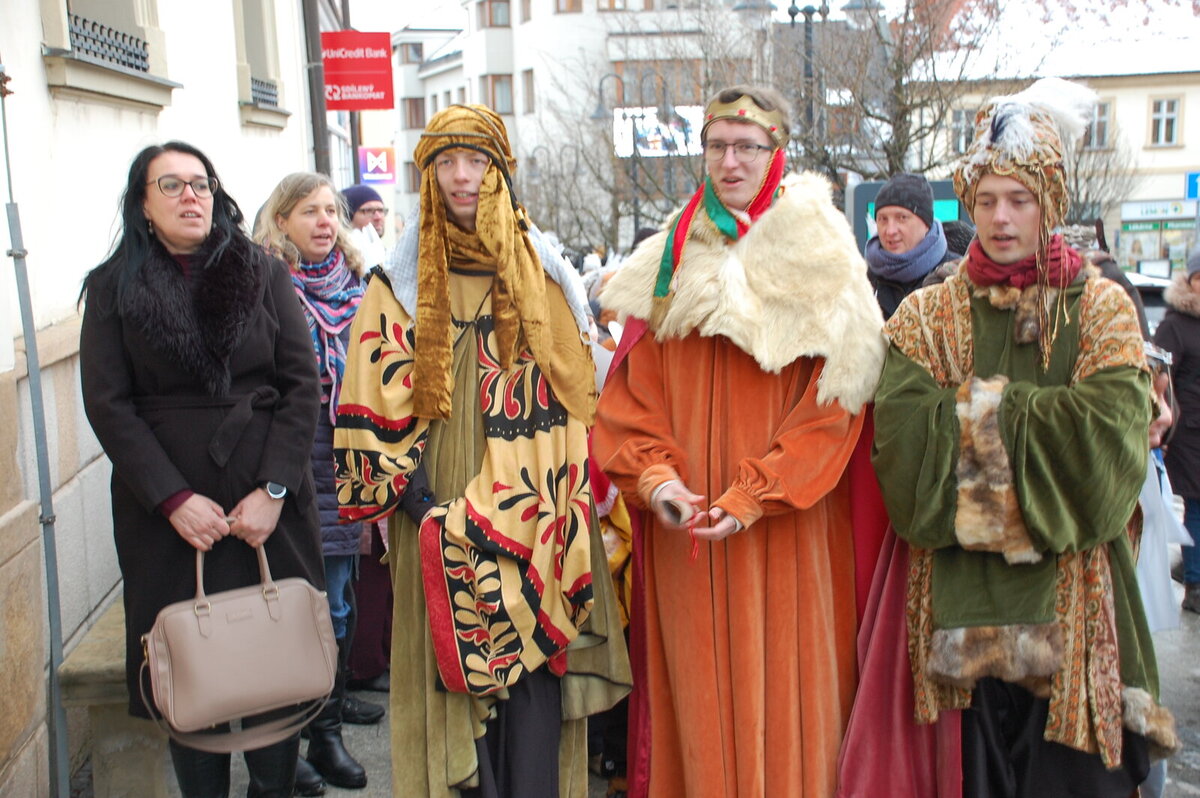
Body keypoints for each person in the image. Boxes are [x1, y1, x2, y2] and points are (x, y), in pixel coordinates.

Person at [865, 77, 1177, 797]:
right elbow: (905, 465)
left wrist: (969, 420)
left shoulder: (1100, 310)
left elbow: (1106, 467)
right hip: (955, 632)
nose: (1001, 218)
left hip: (1078, 631)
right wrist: (1042, 428)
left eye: (1020, 199)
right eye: (986, 200)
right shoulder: (925, 318)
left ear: (1050, 203)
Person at [591, 84, 885, 797]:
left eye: (747, 147)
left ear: (776, 152)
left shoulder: (822, 256)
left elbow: (837, 407)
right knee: (694, 707)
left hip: (787, 532)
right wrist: (656, 480)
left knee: (787, 701)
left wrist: (759, 492)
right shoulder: (669, 261)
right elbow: (631, 400)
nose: (730, 162)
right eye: (717, 146)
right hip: (687, 534)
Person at [334, 104, 629, 797]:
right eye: (446, 162)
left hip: (534, 506)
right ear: (428, 176)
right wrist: (418, 502)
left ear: (500, 171)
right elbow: (372, 395)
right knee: (450, 663)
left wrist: (545, 504)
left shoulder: (546, 275)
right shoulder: (396, 283)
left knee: (530, 669)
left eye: (476, 161)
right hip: (434, 498)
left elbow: (572, 397)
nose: (461, 177)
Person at [79, 141, 323, 798]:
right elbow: (108, 405)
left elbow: (302, 385)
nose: (191, 195)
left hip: (266, 506)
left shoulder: (262, 272)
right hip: (166, 516)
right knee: (189, 676)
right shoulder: (111, 288)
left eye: (201, 183)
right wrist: (172, 499)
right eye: (171, 184)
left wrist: (275, 490)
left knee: (276, 664)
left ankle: (274, 788)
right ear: (142, 203)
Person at [255, 172, 382, 794]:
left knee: (335, 602)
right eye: (310, 211)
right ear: (281, 220)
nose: (325, 221)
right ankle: (285, 746)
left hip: (344, 458)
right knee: (283, 607)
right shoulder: (261, 285)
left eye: (331, 210)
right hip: (286, 458)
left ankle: (326, 737)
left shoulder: (359, 287)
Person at [1153, 250, 1200, 612]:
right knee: (1197, 505)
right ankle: (1195, 584)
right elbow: (1160, 381)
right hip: (1189, 431)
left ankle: (1190, 568)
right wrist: (1165, 429)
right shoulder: (1175, 324)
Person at [866, 172, 963, 319]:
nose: (890, 231)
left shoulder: (956, 277)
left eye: (902, 218)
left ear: (926, 223)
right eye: (883, 219)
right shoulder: (863, 281)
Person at [342, 184, 389, 270]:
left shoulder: (386, 255)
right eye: (368, 211)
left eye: (381, 210)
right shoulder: (338, 264)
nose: (378, 217)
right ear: (347, 217)